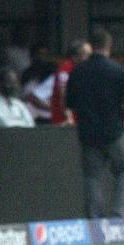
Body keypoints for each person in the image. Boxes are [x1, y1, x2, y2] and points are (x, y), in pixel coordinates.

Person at [65, 28, 124, 219]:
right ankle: (118, 214)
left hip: (88, 134)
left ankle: (94, 221)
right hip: (114, 132)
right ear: (109, 46)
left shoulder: (78, 71)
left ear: (91, 46)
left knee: (92, 178)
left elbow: (70, 102)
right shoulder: (117, 70)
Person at [50, 38, 91, 124]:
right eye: (86, 54)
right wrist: (68, 117)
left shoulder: (81, 69)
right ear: (76, 55)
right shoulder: (65, 68)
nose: (89, 58)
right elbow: (63, 94)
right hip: (64, 121)